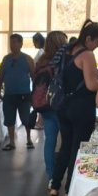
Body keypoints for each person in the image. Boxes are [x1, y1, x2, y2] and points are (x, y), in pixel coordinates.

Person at [48, 19, 98, 196]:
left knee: (65, 146)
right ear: (88, 38)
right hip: (81, 108)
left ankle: (55, 186)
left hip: (62, 106)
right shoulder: (87, 55)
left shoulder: (66, 50)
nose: (97, 46)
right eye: (97, 41)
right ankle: (70, 191)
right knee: (78, 148)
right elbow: (91, 85)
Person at [32, 30, 67, 184]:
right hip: (60, 105)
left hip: (44, 105)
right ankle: (64, 175)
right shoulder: (62, 60)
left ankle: (51, 176)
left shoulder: (41, 61)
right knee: (66, 141)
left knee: (50, 139)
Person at [0, 34, 35, 150]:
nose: (12, 45)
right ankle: (12, 142)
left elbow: (34, 77)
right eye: (11, 42)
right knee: (9, 119)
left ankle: (28, 139)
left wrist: (34, 95)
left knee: (26, 118)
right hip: (9, 95)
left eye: (15, 42)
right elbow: (1, 77)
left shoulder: (28, 59)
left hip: (24, 94)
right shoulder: (6, 59)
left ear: (21, 44)